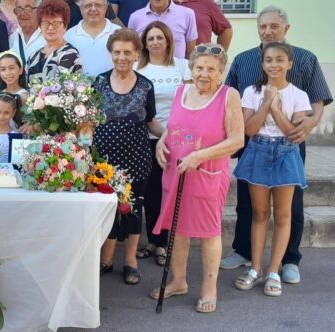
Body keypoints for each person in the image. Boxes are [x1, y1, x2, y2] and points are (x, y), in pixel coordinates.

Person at [221, 6, 332, 284]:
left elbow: (317, 98)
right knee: (248, 202)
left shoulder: (305, 59)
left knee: (291, 206)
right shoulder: (244, 60)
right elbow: (230, 98)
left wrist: (310, 122)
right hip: (253, 142)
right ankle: (244, 252)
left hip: (292, 140)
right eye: (263, 26)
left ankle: (289, 259)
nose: (268, 31)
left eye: (274, 26)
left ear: (286, 29)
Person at [152, 43, 244, 313]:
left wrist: (200, 156)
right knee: (177, 229)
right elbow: (174, 127)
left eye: (211, 69)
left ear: (221, 72)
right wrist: (162, 142)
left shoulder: (229, 96)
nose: (204, 74)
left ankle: (209, 287)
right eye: (199, 68)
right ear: (191, 69)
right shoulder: (182, 91)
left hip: (206, 173)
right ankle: (178, 281)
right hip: (176, 170)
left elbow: (237, 140)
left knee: (208, 232)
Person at [233, 42, 310, 297]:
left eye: (279, 60)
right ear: (262, 63)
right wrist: (266, 102)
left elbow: (292, 132)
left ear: (289, 64)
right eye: (268, 60)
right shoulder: (251, 92)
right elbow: (249, 129)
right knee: (260, 213)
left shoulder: (299, 95)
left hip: (287, 153)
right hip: (257, 150)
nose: (273, 65)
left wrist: (276, 108)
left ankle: (274, 270)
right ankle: (255, 268)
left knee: (284, 215)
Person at [94, 29, 157, 286]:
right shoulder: (97, 82)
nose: (122, 57)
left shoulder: (145, 85)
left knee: (132, 210)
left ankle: (130, 262)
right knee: (106, 210)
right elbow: (88, 120)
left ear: (137, 54)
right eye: (117, 52)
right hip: (104, 162)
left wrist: (170, 137)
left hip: (136, 159)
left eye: (127, 52)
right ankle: (105, 260)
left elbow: (151, 123)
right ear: (110, 54)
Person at [132, 21, 191, 266]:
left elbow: (189, 102)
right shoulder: (138, 67)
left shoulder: (183, 66)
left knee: (170, 191)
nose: (155, 42)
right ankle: (153, 241)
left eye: (160, 37)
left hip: (176, 140)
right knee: (151, 192)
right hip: (146, 138)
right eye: (150, 38)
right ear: (144, 43)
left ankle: (166, 244)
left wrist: (172, 135)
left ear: (168, 41)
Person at [128, 0, 198, 59]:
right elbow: (132, 51)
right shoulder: (135, 18)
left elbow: (191, 54)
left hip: (176, 72)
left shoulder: (187, 15)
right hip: (145, 72)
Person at [63, 0, 121, 76]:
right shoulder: (68, 36)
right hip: (79, 88)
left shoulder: (119, 33)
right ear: (81, 8)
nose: (93, 9)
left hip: (112, 88)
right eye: (88, 5)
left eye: (98, 5)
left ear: (106, 7)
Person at [26, 0, 81, 82]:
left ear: (65, 27)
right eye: (45, 23)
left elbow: (62, 89)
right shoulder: (33, 55)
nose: (50, 28)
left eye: (56, 23)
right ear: (40, 26)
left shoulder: (70, 53)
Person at [9, 0, 46, 68]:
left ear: (38, 11)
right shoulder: (12, 38)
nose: (23, 13)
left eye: (28, 8)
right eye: (19, 9)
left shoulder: (47, 36)